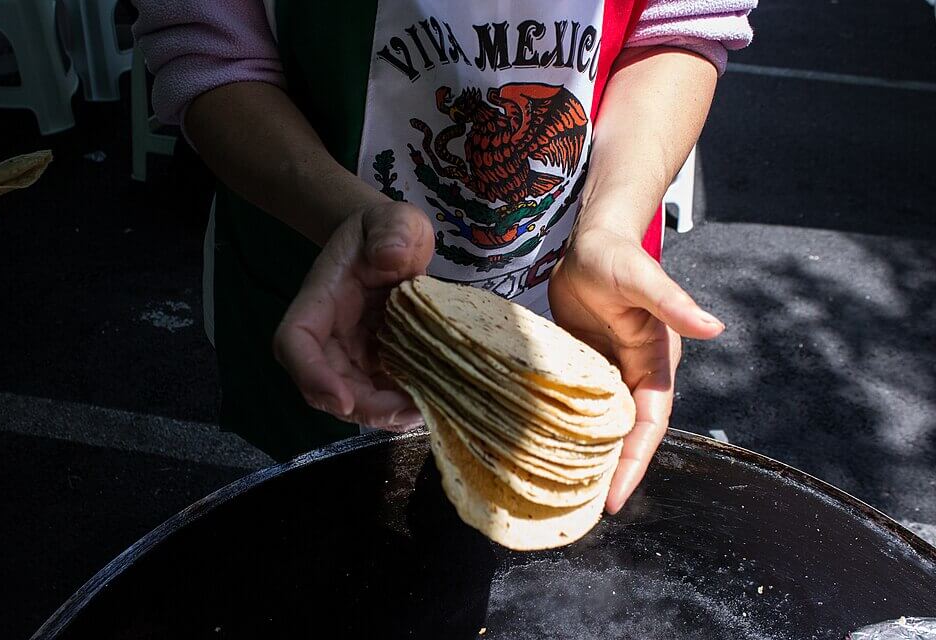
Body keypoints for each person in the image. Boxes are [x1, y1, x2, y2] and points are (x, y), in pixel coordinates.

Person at [133, 0, 755, 514]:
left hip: (580, 293)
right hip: (327, 281)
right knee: (325, 535)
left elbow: (676, 27)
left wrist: (612, 221)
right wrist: (351, 218)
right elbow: (204, 47)